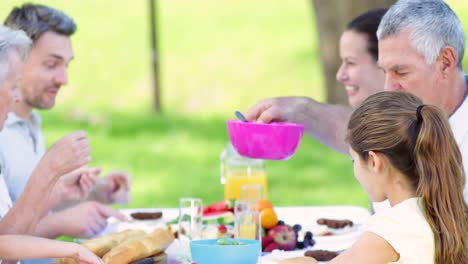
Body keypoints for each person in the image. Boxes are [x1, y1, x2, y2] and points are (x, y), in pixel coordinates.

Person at [246, 0, 468, 202]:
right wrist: (300, 110)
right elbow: (356, 130)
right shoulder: (414, 116)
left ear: (445, 62)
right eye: (384, 71)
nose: (388, 87)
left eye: (401, 72)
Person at [283, 92, 468, 264]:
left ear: (373, 161)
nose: (354, 168)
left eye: (353, 159)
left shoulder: (393, 227)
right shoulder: (444, 210)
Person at [1, 3, 130, 240]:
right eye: (52, 65)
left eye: (66, 65)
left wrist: (93, 192)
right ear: (15, 60)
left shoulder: (31, 121)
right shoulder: (2, 133)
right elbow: (4, 238)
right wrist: (59, 223)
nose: (64, 79)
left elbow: (28, 207)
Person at [0, 25, 101, 264]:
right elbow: (4, 244)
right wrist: (50, 170)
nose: (16, 97)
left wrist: (58, 188)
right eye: (14, 86)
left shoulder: (32, 124)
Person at [246, 8, 386, 153]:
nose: (340, 75)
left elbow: (378, 136)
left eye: (351, 62)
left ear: (386, 62)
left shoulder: (408, 132)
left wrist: (301, 109)